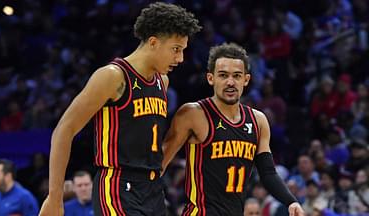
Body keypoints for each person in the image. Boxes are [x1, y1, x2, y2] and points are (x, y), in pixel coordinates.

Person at [39, 2, 201, 216]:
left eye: (182, 51)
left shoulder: (163, 81)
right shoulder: (113, 76)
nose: (180, 59)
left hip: (151, 189)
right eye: (176, 50)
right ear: (153, 42)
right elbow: (64, 130)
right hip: (117, 186)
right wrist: (55, 197)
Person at [162, 43, 304, 215]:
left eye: (237, 76)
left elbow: (267, 173)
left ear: (246, 79)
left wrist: (291, 201)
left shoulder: (258, 120)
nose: (230, 82)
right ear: (210, 78)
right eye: (223, 75)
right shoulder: (193, 113)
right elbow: (159, 164)